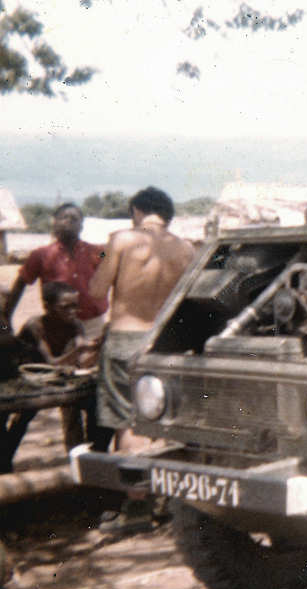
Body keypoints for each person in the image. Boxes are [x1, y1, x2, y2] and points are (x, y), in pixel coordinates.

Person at [89, 186, 195, 453]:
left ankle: (132, 479)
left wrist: (103, 256)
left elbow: (96, 290)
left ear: (137, 210)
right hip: (166, 342)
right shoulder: (186, 249)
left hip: (126, 339)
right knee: (160, 418)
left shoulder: (119, 240)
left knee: (129, 422)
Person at [0, 282, 104, 472]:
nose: (72, 312)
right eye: (65, 307)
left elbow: (81, 360)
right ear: (47, 307)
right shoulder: (35, 325)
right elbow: (51, 362)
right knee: (20, 418)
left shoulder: (75, 324)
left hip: (47, 379)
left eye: (75, 306)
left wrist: (95, 348)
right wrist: (79, 350)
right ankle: (4, 462)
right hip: (25, 379)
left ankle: (92, 458)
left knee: (92, 403)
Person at [1, 203, 108, 340]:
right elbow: (20, 285)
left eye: (74, 218)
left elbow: (108, 259)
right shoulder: (40, 255)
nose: (69, 221)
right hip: (58, 326)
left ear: (81, 226)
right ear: (55, 223)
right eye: (64, 217)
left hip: (92, 324)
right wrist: (6, 318)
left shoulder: (97, 252)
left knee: (91, 354)